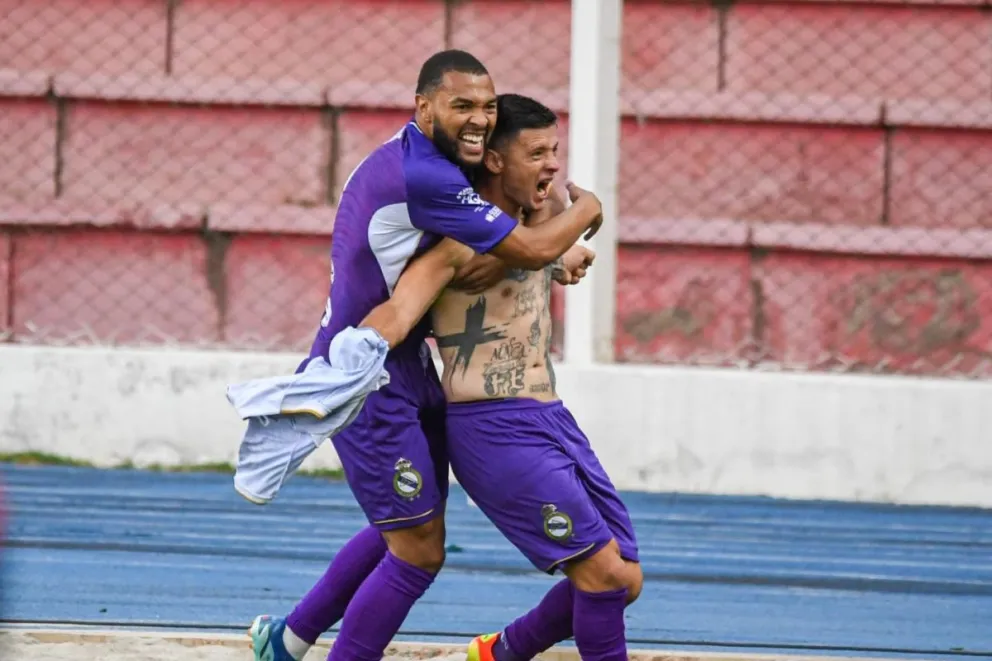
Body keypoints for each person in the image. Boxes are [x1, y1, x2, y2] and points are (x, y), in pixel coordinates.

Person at [248, 49, 604, 661]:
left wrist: (551, 253)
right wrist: (588, 212)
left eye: (488, 107)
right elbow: (510, 249)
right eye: (461, 105)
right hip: (369, 373)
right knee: (418, 549)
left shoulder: (434, 158)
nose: (479, 119)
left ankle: (289, 639)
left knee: (406, 521)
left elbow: (486, 255)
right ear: (423, 106)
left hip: (407, 366)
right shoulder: (429, 178)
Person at [428, 94, 642, 661]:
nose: (552, 164)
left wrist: (560, 249)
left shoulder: (534, 225)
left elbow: (535, 250)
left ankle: (498, 653)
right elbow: (486, 264)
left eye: (556, 150)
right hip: (491, 425)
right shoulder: (458, 227)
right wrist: (576, 221)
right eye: (537, 152)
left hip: (550, 415)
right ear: (496, 161)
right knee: (600, 577)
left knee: (625, 580)